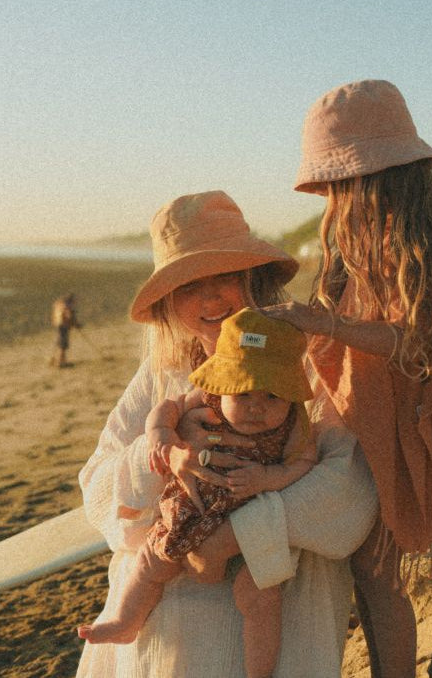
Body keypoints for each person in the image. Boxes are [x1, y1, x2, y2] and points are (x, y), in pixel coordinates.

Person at [75, 190, 377, 678]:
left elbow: (351, 492)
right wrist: (163, 455)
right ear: (170, 302)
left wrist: (242, 532)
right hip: (169, 594)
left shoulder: (304, 359)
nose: (210, 298)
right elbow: (96, 489)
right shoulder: (164, 373)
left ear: (254, 279)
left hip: (273, 592)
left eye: (225, 278)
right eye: (190, 285)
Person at [263, 79, 432, 678]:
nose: (334, 194)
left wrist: (327, 323)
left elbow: (427, 341)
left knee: (379, 571)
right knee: (364, 567)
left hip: (397, 423)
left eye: (341, 180)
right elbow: (336, 332)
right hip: (357, 416)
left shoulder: (420, 240)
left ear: (377, 174)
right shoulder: (356, 234)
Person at [78, 308, 317, 678]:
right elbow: (166, 409)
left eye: (272, 396)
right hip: (192, 508)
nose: (256, 405)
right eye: (244, 391)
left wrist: (268, 478)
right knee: (150, 562)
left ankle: (260, 671)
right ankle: (126, 621)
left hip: (249, 523)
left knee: (262, 595)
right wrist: (161, 437)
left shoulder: (295, 422)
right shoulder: (206, 396)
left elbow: (303, 462)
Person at [51, 293, 81, 367]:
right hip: (64, 325)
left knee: (59, 342)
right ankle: (61, 362)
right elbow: (69, 316)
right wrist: (76, 324)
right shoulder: (67, 306)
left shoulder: (58, 304)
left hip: (58, 324)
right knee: (63, 344)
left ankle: (54, 359)